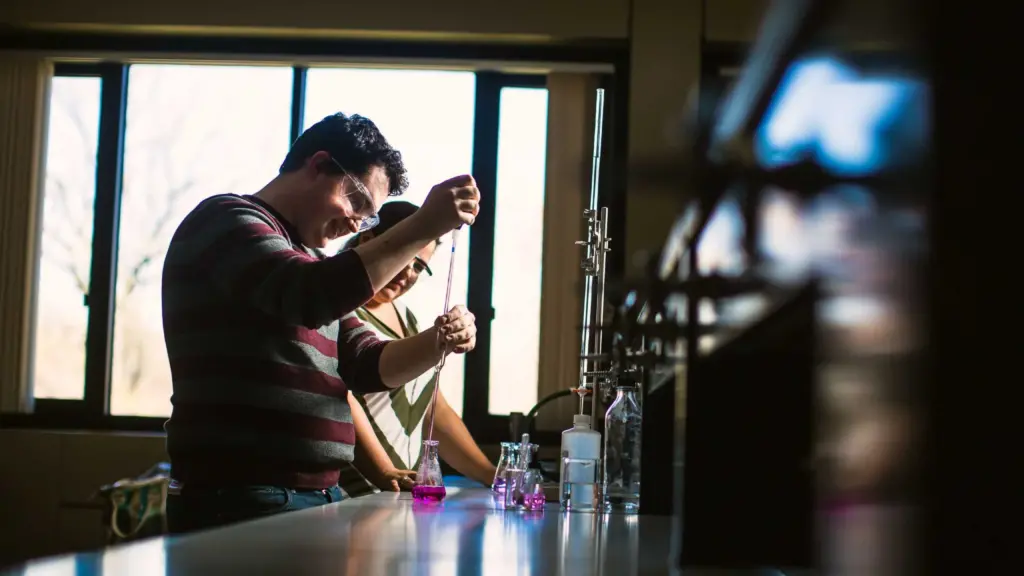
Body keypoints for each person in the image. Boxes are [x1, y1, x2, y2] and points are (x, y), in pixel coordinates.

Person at [161, 113, 480, 534]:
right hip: (242, 497)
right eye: (358, 202)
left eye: (367, 217)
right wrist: (422, 226)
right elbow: (306, 295)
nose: (356, 222)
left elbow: (369, 365)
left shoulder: (313, 264)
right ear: (318, 164)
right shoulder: (227, 220)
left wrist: (440, 342)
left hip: (316, 496)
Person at [336, 201, 496, 497]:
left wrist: (492, 476)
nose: (407, 273)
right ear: (369, 241)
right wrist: (385, 473)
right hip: (350, 494)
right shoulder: (339, 309)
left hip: (396, 495)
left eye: (419, 267)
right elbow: (336, 395)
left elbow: (431, 407)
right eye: (406, 256)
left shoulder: (406, 319)